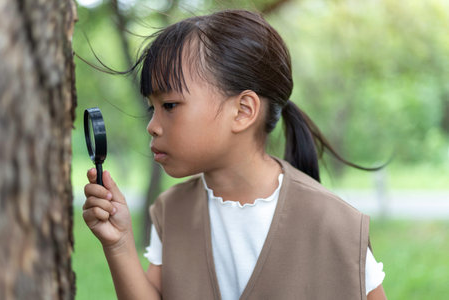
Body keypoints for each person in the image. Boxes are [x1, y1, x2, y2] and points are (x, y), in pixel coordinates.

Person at [83, 9, 387, 300]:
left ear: (242, 111)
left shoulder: (335, 224)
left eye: (170, 105)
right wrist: (119, 243)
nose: (152, 126)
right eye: (152, 107)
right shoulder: (171, 211)